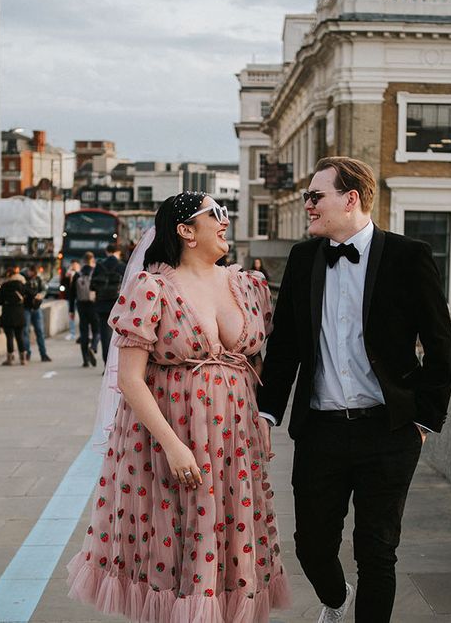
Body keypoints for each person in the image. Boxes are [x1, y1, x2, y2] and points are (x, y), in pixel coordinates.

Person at [67, 192, 290, 622]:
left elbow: (256, 360)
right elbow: (130, 380)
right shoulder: (151, 289)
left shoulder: (247, 284)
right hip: (170, 438)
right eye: (215, 215)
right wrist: (173, 446)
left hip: (235, 442)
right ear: (185, 231)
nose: (225, 222)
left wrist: (262, 416)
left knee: (231, 542)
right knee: (178, 547)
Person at [257, 157, 451, 623]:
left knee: (378, 551)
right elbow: (283, 346)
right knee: (310, 546)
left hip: (388, 431)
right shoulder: (304, 259)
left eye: (315, 196)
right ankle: (336, 597)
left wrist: (424, 420)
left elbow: (440, 342)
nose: (308, 204)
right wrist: (266, 415)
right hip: (319, 430)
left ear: (351, 199)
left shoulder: (409, 256)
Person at [90, 243, 126, 364]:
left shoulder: (99, 266)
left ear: (107, 252)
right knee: (120, 336)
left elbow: (92, 286)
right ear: (118, 252)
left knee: (105, 336)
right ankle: (117, 365)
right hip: (118, 306)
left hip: (102, 305)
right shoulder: (122, 266)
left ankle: (107, 364)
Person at [69, 252, 99, 368]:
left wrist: (71, 310)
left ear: (83, 261)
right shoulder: (95, 272)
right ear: (92, 260)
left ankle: (85, 360)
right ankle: (94, 347)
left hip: (81, 305)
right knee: (96, 330)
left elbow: (71, 294)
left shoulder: (77, 274)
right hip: (93, 305)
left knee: (84, 332)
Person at [0, 266, 28, 366]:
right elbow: (29, 298)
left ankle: (10, 359)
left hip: (8, 313)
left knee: (9, 337)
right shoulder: (22, 285)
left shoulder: (5, 286)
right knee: (20, 336)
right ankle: (23, 359)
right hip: (19, 313)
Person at [22, 265, 52, 362]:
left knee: (40, 331)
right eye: (31, 273)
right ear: (28, 271)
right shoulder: (23, 279)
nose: (33, 275)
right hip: (26, 308)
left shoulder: (38, 279)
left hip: (36, 308)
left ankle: (43, 354)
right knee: (25, 332)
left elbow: (44, 290)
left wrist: (40, 295)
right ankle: (27, 354)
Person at [63, 260, 81, 340]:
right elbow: (64, 285)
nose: (73, 266)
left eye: (75, 265)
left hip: (79, 298)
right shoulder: (68, 274)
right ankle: (72, 333)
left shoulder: (80, 274)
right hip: (71, 298)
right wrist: (67, 277)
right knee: (71, 315)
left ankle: (82, 334)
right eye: (72, 265)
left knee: (82, 317)